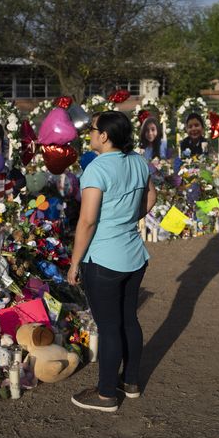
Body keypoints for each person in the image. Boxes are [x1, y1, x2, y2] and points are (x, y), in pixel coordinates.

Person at [68, 110, 157, 412]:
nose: (90, 134)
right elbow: (151, 199)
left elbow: (88, 221)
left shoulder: (96, 169)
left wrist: (74, 262)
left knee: (108, 327)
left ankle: (106, 393)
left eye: (92, 129)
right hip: (133, 254)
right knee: (128, 319)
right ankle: (129, 382)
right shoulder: (138, 161)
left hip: (104, 258)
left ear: (104, 135)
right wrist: (127, 219)